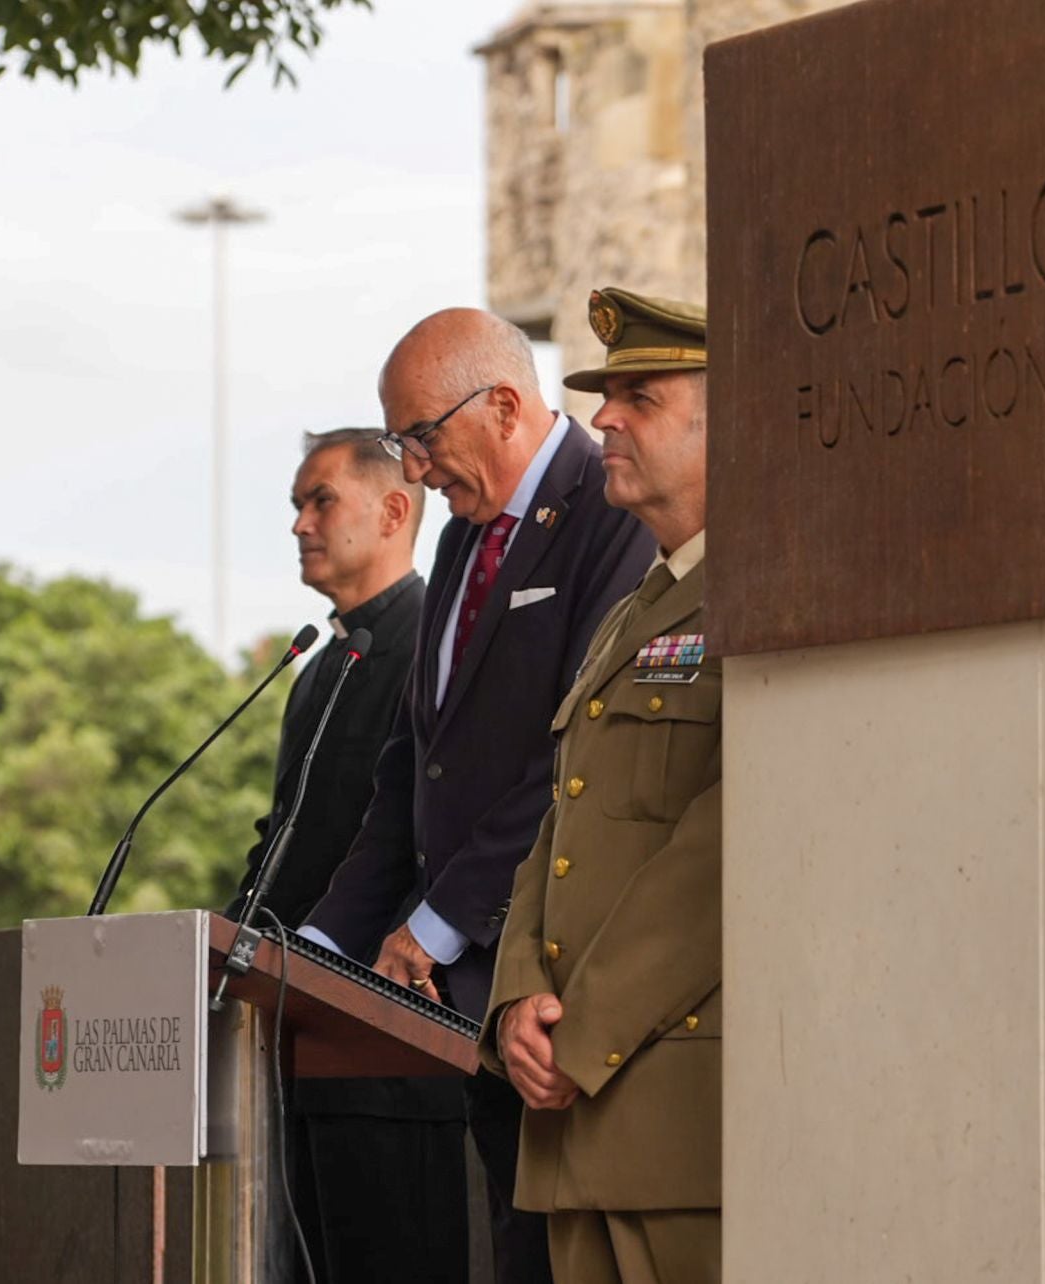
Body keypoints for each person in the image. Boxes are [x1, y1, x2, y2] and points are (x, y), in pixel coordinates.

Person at [303, 309, 654, 1282]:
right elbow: (417, 767)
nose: (413, 470)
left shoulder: (611, 512)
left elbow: (571, 757)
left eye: (421, 437)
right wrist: (326, 948)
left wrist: (437, 922)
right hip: (462, 1004)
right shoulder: (464, 538)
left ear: (503, 404)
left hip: (552, 983)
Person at [480, 288, 722, 1284]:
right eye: (606, 397)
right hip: (572, 1125)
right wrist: (517, 997)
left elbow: (727, 849)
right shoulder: (634, 614)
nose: (604, 420)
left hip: (670, 1120)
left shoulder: (768, 596)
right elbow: (560, 823)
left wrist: (584, 1033)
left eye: (641, 398)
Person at [223, 427, 468, 1284]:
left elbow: (435, 830)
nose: (299, 523)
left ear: (396, 508)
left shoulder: (441, 643)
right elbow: (288, 832)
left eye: (319, 500)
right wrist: (218, 940)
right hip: (297, 1038)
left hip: (391, 1039)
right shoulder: (318, 667)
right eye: (295, 504)